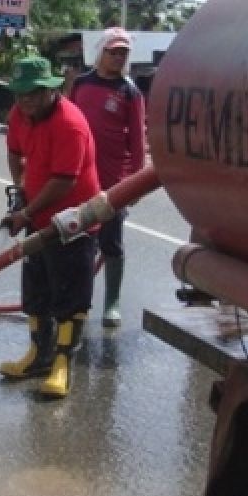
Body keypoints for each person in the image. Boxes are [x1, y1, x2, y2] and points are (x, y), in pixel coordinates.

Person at [0, 55, 101, 399]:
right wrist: (21, 192)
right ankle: (38, 356)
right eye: (20, 94)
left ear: (49, 90)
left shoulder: (69, 124)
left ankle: (62, 366)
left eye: (32, 94)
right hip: (37, 215)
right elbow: (14, 151)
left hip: (74, 220)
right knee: (37, 288)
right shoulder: (19, 115)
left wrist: (26, 213)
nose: (25, 101)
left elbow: (64, 182)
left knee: (70, 296)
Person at [69, 27, 147, 328]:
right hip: (77, 176)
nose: (117, 58)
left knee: (111, 242)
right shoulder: (82, 84)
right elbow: (68, 123)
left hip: (113, 181)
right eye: (113, 52)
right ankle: (78, 300)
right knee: (76, 239)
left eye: (123, 53)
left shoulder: (130, 93)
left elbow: (138, 143)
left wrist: (135, 184)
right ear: (101, 52)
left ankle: (111, 302)